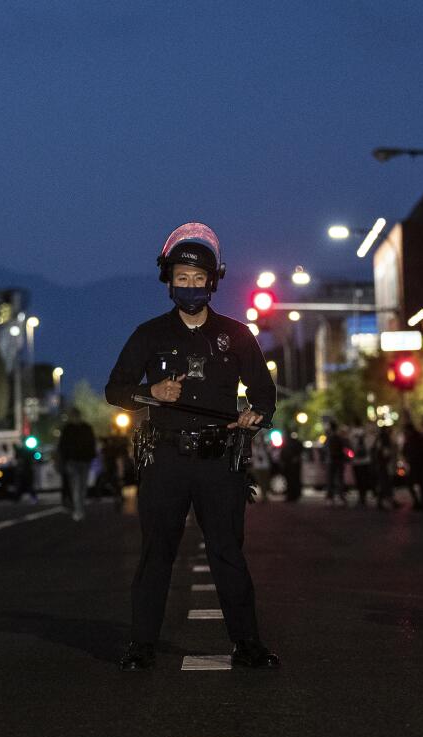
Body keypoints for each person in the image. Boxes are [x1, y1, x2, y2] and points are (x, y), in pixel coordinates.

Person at [106, 221, 279, 671]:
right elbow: (115, 389)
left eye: (198, 279)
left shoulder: (237, 335)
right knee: (156, 553)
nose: (189, 287)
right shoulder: (149, 335)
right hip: (164, 458)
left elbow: (265, 393)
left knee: (227, 553)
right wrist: (150, 393)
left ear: (213, 282)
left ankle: (248, 645)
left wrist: (254, 415)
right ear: (168, 281)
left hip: (219, 459)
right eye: (180, 278)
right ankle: (141, 646)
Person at [57, 407, 98, 521]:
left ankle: (79, 509)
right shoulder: (73, 429)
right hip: (74, 461)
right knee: (77, 486)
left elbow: (62, 446)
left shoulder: (77, 428)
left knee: (81, 486)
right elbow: (63, 446)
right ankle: (79, 510)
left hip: (81, 460)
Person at [401, 421, 423, 511]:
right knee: (420, 484)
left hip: (417, 464)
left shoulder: (414, 439)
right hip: (419, 464)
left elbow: (407, 450)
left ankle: (419, 502)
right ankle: (420, 502)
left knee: (413, 483)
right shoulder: (418, 438)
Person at [372, 426, 396, 511]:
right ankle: (386, 500)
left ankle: (384, 500)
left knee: (384, 482)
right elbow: (385, 452)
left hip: (381, 464)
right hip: (384, 465)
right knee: (385, 482)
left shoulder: (379, 439)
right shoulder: (384, 439)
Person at [324, 422, 348, 506]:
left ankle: (330, 498)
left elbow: (325, 449)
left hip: (330, 461)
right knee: (340, 479)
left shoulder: (329, 438)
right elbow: (345, 448)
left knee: (330, 480)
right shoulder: (340, 438)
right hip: (339, 460)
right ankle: (341, 498)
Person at [280, 430, 303, 502]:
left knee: (293, 481)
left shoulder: (292, 444)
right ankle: (292, 496)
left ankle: (293, 496)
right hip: (289, 466)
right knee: (291, 481)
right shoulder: (289, 443)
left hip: (292, 466)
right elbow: (283, 454)